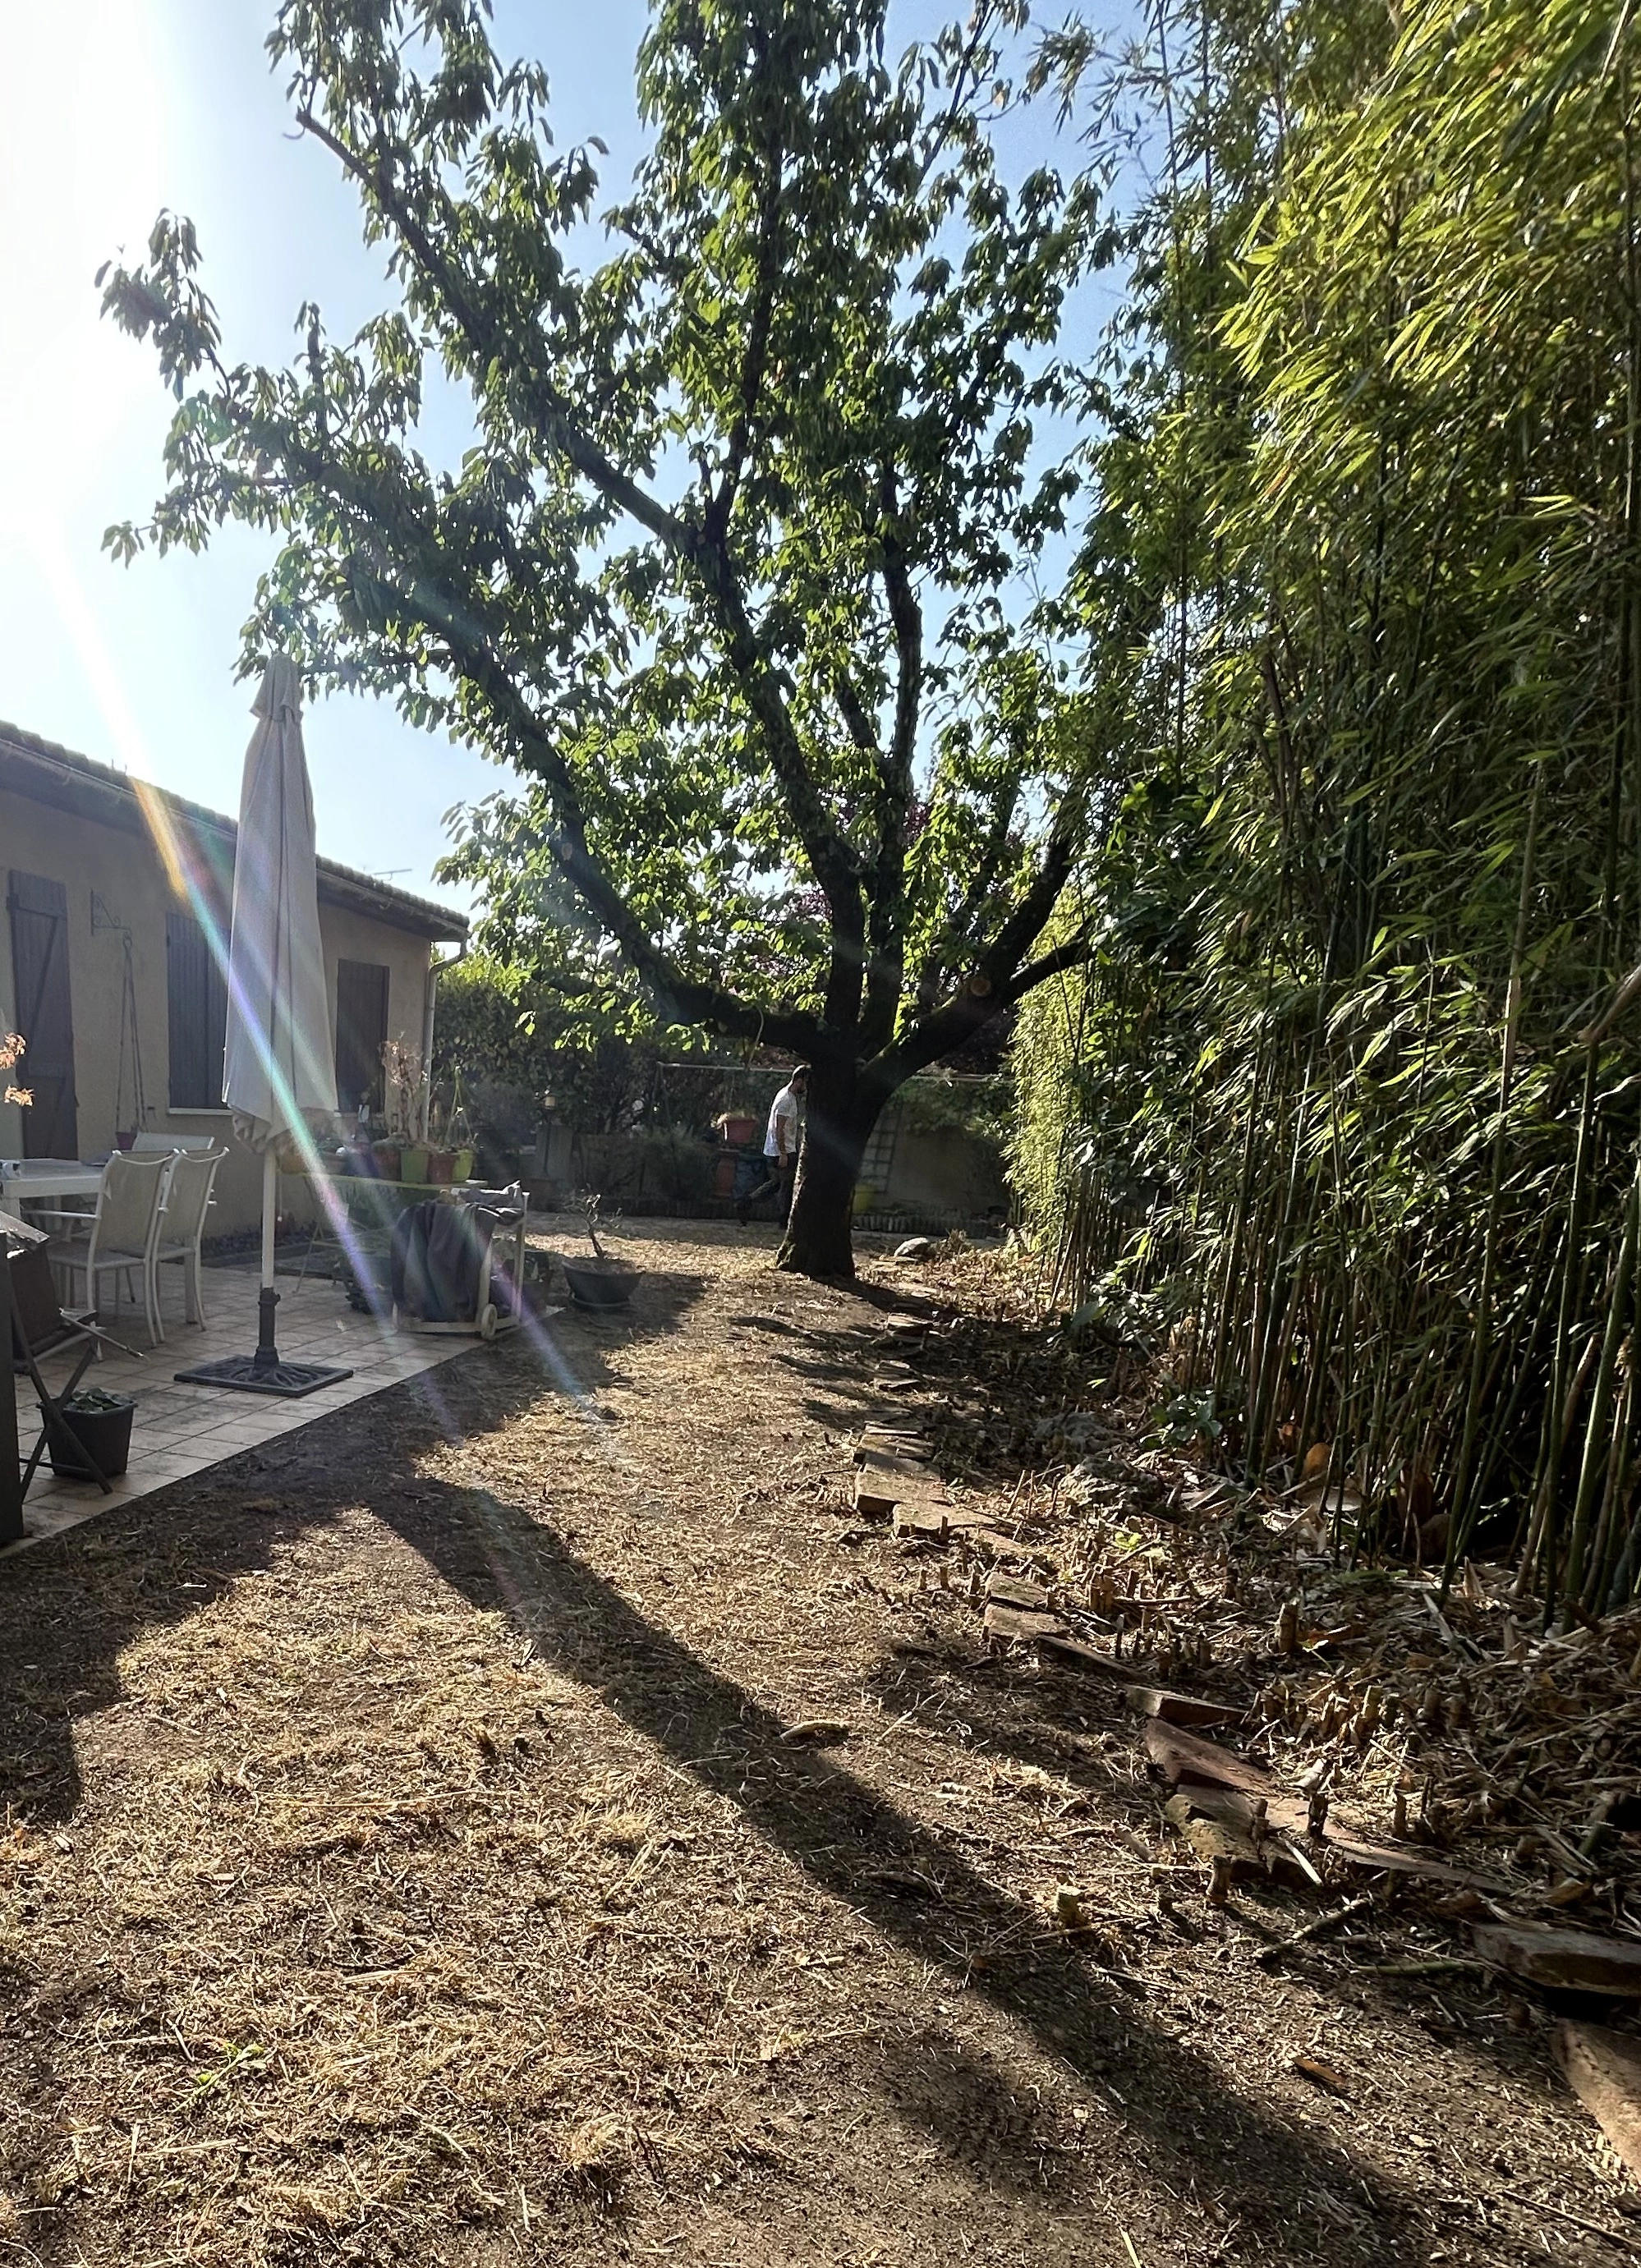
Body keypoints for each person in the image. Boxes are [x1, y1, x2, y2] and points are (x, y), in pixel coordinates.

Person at [737, 1064, 809, 1226]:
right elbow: (779, 1128)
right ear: (799, 1080)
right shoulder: (786, 1100)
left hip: (780, 1148)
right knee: (786, 1185)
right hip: (782, 1149)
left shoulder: (786, 1095)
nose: (805, 1088)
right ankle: (783, 1219)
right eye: (805, 1083)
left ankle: (746, 1203)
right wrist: (783, 1153)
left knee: (777, 1184)